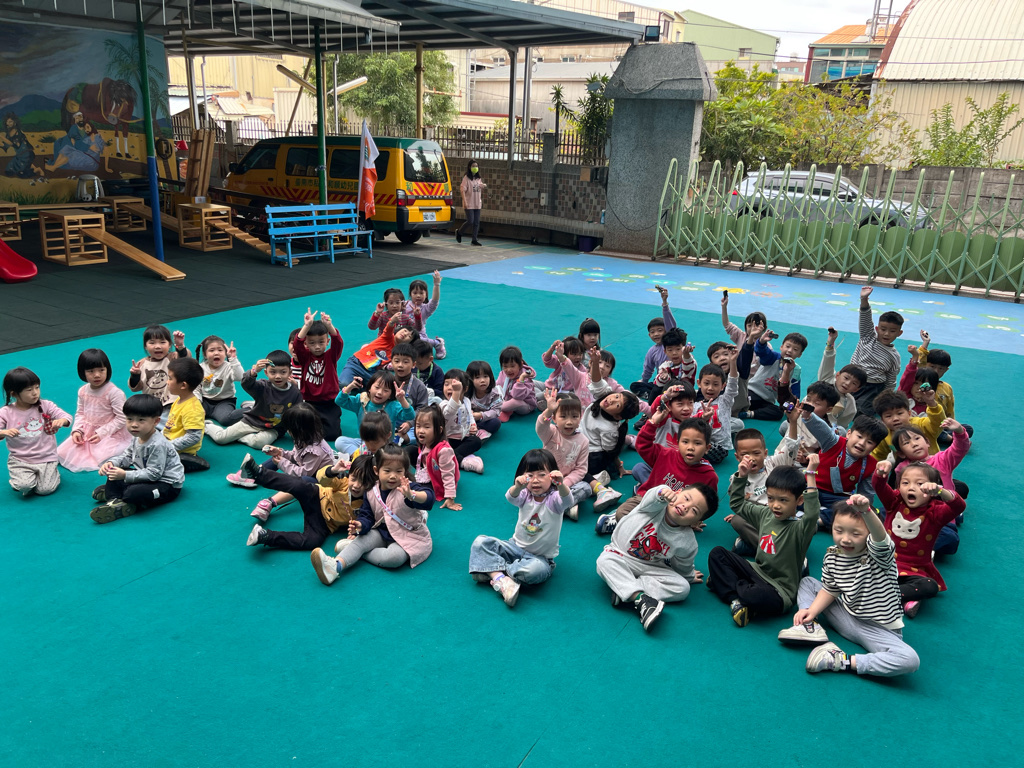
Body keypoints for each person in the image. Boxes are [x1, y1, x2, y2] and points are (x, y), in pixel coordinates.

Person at [779, 494, 919, 678]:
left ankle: (840, 659)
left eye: (856, 534)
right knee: (807, 582)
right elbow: (831, 589)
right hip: (846, 615)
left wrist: (866, 512)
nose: (845, 539)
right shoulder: (832, 555)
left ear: (869, 534)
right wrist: (810, 611)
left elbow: (881, 538)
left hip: (877, 629)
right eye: (839, 530)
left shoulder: (879, 556)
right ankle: (809, 627)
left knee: (910, 659)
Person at [706, 458, 821, 626]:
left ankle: (726, 584)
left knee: (754, 595)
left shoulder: (800, 529)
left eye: (783, 500)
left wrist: (810, 474)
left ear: (799, 500)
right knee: (717, 553)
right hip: (756, 571)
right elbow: (737, 504)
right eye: (771, 498)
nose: (775, 505)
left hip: (779, 590)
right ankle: (736, 601)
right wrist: (742, 476)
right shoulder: (765, 514)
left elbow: (811, 515)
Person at [596, 483, 717, 631]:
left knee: (682, 588)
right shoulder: (655, 507)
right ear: (677, 492)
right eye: (686, 498)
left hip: (649, 566)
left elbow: (683, 565)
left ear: (696, 522)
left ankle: (624, 589)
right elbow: (653, 496)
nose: (685, 506)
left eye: (694, 510)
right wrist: (662, 493)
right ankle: (639, 598)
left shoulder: (688, 541)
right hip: (619, 554)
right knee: (604, 561)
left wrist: (690, 576)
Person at [310, 444, 435, 585]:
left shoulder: (407, 488)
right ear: (376, 470)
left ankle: (356, 552)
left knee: (394, 558)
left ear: (405, 471)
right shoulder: (371, 491)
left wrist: (412, 495)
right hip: (381, 532)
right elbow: (367, 515)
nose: (393, 476)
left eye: (399, 471)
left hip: (407, 536)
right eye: (387, 470)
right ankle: (335, 567)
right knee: (361, 540)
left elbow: (429, 498)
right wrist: (361, 525)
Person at [468, 449, 571, 607]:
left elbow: (568, 501)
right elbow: (510, 497)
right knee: (480, 542)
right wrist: (517, 486)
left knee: (535, 571)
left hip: (540, 559)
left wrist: (561, 484)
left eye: (542, 475)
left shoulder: (554, 500)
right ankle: (502, 579)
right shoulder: (525, 495)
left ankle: (492, 572)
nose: (535, 480)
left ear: (552, 476)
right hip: (514, 547)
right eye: (530, 475)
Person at [597, 413, 718, 535]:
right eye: (685, 442)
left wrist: (697, 519)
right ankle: (623, 521)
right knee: (622, 513)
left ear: (707, 448)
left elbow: (708, 502)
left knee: (677, 534)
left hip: (677, 512)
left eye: (697, 443)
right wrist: (652, 423)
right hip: (647, 499)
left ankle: (633, 527)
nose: (690, 447)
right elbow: (643, 445)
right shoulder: (666, 454)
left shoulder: (709, 476)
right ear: (678, 442)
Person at [872, 461, 965, 617]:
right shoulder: (894, 502)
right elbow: (879, 486)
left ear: (932, 490)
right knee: (857, 566)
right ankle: (905, 598)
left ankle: (885, 596)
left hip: (914, 570)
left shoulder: (936, 512)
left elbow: (959, 506)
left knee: (930, 586)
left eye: (920, 484)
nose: (911, 487)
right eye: (905, 483)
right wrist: (881, 473)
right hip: (883, 562)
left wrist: (941, 491)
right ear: (898, 486)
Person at [243, 453, 375, 551]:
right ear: (349, 475)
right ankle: (258, 473)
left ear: (372, 483)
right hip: (317, 496)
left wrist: (357, 530)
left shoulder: (370, 500)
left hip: (325, 524)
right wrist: (332, 470)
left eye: (363, 482)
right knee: (299, 485)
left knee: (313, 541)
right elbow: (321, 478)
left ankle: (266, 536)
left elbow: (366, 519)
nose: (357, 485)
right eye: (354, 478)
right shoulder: (343, 482)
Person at [90, 394, 184, 523]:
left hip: (166, 484)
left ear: (156, 421)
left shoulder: (158, 444)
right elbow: (127, 456)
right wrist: (111, 463)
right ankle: (114, 500)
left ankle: (125, 500)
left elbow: (154, 474)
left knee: (133, 493)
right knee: (114, 474)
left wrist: (125, 475)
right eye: (129, 419)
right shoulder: (138, 437)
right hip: (147, 476)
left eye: (141, 420)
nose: (134, 425)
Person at [802, 410, 888, 529]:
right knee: (790, 487)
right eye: (859, 436)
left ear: (875, 447)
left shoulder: (871, 465)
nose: (862, 443)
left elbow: (866, 494)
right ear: (848, 434)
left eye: (869, 442)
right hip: (809, 487)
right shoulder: (833, 442)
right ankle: (826, 517)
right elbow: (821, 429)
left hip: (836, 497)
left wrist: (861, 505)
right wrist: (808, 417)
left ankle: (819, 521)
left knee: (853, 508)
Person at [726, 417, 800, 555]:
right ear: (737, 457)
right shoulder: (736, 477)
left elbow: (792, 446)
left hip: (781, 513)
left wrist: (794, 422)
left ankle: (750, 546)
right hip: (758, 518)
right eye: (745, 455)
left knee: (811, 525)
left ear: (765, 453)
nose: (751, 458)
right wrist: (742, 476)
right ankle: (778, 551)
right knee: (737, 521)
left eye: (756, 453)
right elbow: (737, 502)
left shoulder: (774, 464)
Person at [579, 352, 642, 516]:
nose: (612, 400)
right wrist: (594, 362)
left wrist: (618, 466)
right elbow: (596, 380)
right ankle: (594, 482)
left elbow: (609, 452)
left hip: (592, 455)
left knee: (573, 469)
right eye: (617, 396)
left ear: (618, 416)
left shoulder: (609, 429)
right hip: (579, 441)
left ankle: (602, 490)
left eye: (617, 404)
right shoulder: (604, 396)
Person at [205, 350, 301, 448]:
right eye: (273, 372)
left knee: (258, 443)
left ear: (290, 372)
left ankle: (237, 436)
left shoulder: (295, 392)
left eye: (283, 372)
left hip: (274, 428)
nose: (278, 376)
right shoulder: (263, 386)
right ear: (266, 372)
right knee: (221, 438)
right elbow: (246, 384)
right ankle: (206, 425)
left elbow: (297, 414)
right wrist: (254, 371)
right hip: (252, 421)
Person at [57, 349, 131, 473]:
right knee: (62, 452)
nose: (97, 375)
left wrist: (102, 433)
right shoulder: (82, 391)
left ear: (107, 369)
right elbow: (80, 413)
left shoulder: (114, 393)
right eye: (91, 371)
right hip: (88, 433)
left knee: (106, 457)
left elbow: (122, 418)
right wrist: (77, 430)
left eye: (101, 370)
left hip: (111, 434)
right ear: (83, 372)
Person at [0, 366, 71, 496]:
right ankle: (21, 478)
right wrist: (4, 432)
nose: (35, 393)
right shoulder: (6, 412)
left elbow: (66, 416)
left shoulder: (46, 405)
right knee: (24, 486)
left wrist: (62, 421)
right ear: (14, 394)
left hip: (47, 457)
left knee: (45, 490)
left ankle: (51, 472)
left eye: (37, 387)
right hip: (20, 459)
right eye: (29, 390)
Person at [227, 403, 333, 488]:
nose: (288, 430)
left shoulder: (314, 451)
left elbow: (304, 473)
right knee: (277, 457)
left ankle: (260, 479)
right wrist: (280, 452)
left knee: (302, 480)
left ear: (298, 430)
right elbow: (296, 456)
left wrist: (282, 463)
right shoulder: (305, 437)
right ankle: (253, 473)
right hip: (310, 471)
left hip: (321, 482)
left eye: (289, 428)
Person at [536, 388, 589, 520]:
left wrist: (564, 484)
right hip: (545, 479)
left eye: (574, 416)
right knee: (528, 481)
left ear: (580, 417)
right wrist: (549, 410)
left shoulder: (583, 441)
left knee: (586, 488)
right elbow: (540, 427)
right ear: (554, 418)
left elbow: (580, 469)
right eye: (563, 416)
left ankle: (550, 505)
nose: (569, 422)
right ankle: (562, 507)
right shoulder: (551, 432)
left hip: (564, 484)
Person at [849, 286, 903, 418]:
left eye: (892, 331)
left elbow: (891, 380)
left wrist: (886, 398)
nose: (887, 334)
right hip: (852, 378)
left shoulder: (894, 356)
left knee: (861, 412)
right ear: (877, 329)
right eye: (883, 329)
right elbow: (865, 318)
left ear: (899, 333)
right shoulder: (867, 337)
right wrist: (864, 299)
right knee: (834, 401)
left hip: (872, 388)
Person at [628, 383, 696, 486]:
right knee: (639, 468)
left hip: (680, 468)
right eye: (680, 404)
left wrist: (705, 417)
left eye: (690, 403)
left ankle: (651, 487)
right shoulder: (665, 418)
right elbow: (655, 408)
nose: (686, 408)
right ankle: (656, 487)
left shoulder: (693, 422)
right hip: (658, 464)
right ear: (669, 406)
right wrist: (666, 396)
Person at [335, 369, 414, 455]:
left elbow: (410, 416)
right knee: (340, 441)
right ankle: (359, 455)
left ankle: (365, 456)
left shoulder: (393, 406)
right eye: (377, 387)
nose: (380, 392)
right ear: (369, 387)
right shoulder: (362, 400)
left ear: (390, 395)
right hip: (365, 442)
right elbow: (339, 401)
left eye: (386, 390)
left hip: (385, 445)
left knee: (394, 454)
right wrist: (350, 386)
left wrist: (402, 399)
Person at [293, 308, 344, 442]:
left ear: (327, 341)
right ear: (306, 344)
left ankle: (324, 424)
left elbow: (338, 342)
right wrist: (306, 326)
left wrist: (329, 325)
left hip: (330, 402)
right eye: (312, 343)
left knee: (332, 435)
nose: (317, 346)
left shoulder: (331, 356)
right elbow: (297, 344)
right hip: (310, 402)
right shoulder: (304, 357)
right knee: (303, 434)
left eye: (321, 342)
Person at [128, 325, 191, 424]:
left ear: (169, 345)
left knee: (167, 420)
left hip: (171, 402)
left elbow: (185, 359)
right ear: (145, 346)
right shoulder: (142, 363)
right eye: (152, 343)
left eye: (162, 342)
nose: (157, 346)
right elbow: (135, 388)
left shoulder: (172, 357)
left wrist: (180, 346)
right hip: (151, 405)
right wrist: (135, 375)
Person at [741, 329, 807, 421]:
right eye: (787, 346)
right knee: (741, 401)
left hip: (767, 401)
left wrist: (792, 408)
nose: (790, 350)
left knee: (779, 412)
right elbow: (762, 352)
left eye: (795, 349)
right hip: (751, 392)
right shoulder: (773, 357)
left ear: (800, 354)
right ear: (781, 347)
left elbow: (795, 392)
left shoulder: (796, 370)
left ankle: (749, 414)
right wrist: (762, 342)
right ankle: (746, 409)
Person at [337, 313, 418, 387]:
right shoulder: (388, 337)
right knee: (343, 384)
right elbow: (389, 328)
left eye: (409, 336)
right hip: (356, 363)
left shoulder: (398, 352)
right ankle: (355, 383)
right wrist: (392, 321)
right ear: (398, 330)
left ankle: (358, 385)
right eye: (405, 330)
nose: (405, 334)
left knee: (378, 389)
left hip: (371, 372)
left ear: (409, 343)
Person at [630, 285, 678, 400]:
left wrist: (665, 303)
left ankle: (656, 397)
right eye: (652, 332)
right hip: (660, 383)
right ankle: (652, 395)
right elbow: (648, 368)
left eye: (660, 330)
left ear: (666, 330)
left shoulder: (671, 344)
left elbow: (671, 324)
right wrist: (644, 381)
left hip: (676, 382)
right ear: (649, 335)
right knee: (635, 386)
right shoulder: (652, 351)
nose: (656, 334)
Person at [693, 347, 739, 465]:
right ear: (699, 383)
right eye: (706, 383)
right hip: (699, 442)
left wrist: (733, 362)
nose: (710, 388)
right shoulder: (695, 405)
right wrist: (703, 418)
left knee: (696, 449)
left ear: (723, 386)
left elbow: (733, 384)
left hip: (719, 447)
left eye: (715, 384)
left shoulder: (725, 401)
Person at [411, 405, 462, 510]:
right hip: (431, 472)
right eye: (418, 426)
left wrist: (450, 497)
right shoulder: (425, 442)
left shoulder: (444, 451)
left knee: (422, 492)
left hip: (439, 481)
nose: (421, 430)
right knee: (409, 451)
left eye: (426, 427)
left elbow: (448, 474)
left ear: (439, 430)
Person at [163, 357, 209, 472]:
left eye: (170, 378)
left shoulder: (192, 409)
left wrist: (167, 446)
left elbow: (193, 437)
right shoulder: (178, 400)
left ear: (183, 385)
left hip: (182, 450)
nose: (167, 382)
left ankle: (188, 460)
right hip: (169, 443)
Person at [871, 389, 944, 460]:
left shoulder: (920, 424)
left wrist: (932, 404)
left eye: (899, 413)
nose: (895, 419)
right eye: (888, 416)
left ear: (909, 413)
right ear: (882, 420)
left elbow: (938, 423)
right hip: (905, 466)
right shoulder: (885, 434)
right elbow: (878, 454)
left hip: (932, 464)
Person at [817, 326, 867, 428]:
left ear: (856, 389)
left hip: (826, 429)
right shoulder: (826, 380)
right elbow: (828, 361)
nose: (847, 383)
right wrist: (831, 342)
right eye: (846, 378)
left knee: (841, 431)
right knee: (785, 426)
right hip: (806, 418)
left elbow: (842, 425)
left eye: (854, 383)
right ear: (838, 375)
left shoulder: (850, 404)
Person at [439, 368, 484, 473]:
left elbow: (470, 415)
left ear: (465, 389)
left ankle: (450, 458)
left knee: (476, 441)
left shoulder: (466, 401)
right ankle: (462, 462)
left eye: (455, 385)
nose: (450, 388)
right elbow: (449, 411)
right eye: (446, 384)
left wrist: (473, 426)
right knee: (442, 448)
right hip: (447, 439)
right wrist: (456, 392)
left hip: (463, 437)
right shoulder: (444, 404)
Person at [195, 336, 245, 425]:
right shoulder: (200, 368)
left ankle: (251, 409)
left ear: (225, 354)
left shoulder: (229, 367)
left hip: (224, 401)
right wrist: (197, 404)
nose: (216, 353)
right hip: (205, 401)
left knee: (225, 419)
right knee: (190, 412)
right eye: (211, 350)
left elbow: (240, 377)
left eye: (220, 350)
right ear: (205, 354)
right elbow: (196, 388)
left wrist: (233, 359)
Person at [388, 342, 430, 444]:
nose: (400, 365)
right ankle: (396, 437)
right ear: (391, 362)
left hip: (410, 424)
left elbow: (421, 409)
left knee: (424, 433)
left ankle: (402, 438)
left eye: (405, 362)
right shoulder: (387, 382)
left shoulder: (419, 386)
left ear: (413, 365)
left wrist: (409, 423)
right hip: (389, 420)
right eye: (397, 361)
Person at [407, 271, 446, 359]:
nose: (418, 295)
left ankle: (437, 343)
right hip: (404, 333)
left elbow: (435, 300)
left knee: (419, 344)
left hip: (419, 335)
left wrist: (437, 284)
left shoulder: (426, 308)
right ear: (410, 294)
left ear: (426, 295)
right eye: (415, 293)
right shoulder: (404, 305)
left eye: (421, 293)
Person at [45, 120, 109, 173]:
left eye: (88, 127)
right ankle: (54, 166)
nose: (86, 130)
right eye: (85, 128)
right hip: (84, 157)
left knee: (71, 154)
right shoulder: (87, 138)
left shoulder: (98, 137)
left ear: (91, 126)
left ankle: (53, 167)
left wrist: (106, 167)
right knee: (67, 148)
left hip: (92, 162)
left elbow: (106, 150)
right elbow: (80, 147)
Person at [495, 345, 537, 422]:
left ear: (520, 365)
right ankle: (505, 410)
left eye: (512, 366)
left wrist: (521, 379)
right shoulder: (503, 374)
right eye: (505, 366)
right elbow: (497, 386)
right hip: (507, 400)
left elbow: (518, 396)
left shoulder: (525, 378)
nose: (508, 370)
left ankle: (498, 409)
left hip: (525, 404)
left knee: (515, 402)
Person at [467, 360, 502, 439]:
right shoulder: (467, 391)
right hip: (469, 418)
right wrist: (469, 411)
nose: (482, 380)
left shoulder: (494, 394)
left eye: (485, 376)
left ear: (490, 377)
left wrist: (481, 415)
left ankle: (479, 430)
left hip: (484, 419)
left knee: (495, 423)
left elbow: (496, 411)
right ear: (470, 379)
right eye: (477, 377)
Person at [456, 159, 486, 245]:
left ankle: (474, 239)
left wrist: (483, 186)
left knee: (476, 222)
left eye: (476, 166)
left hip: (477, 203)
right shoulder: (466, 178)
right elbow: (462, 190)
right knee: (470, 221)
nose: (475, 168)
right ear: (469, 167)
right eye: (473, 166)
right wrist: (464, 201)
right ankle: (459, 232)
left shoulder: (478, 178)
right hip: (469, 203)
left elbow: (479, 187)